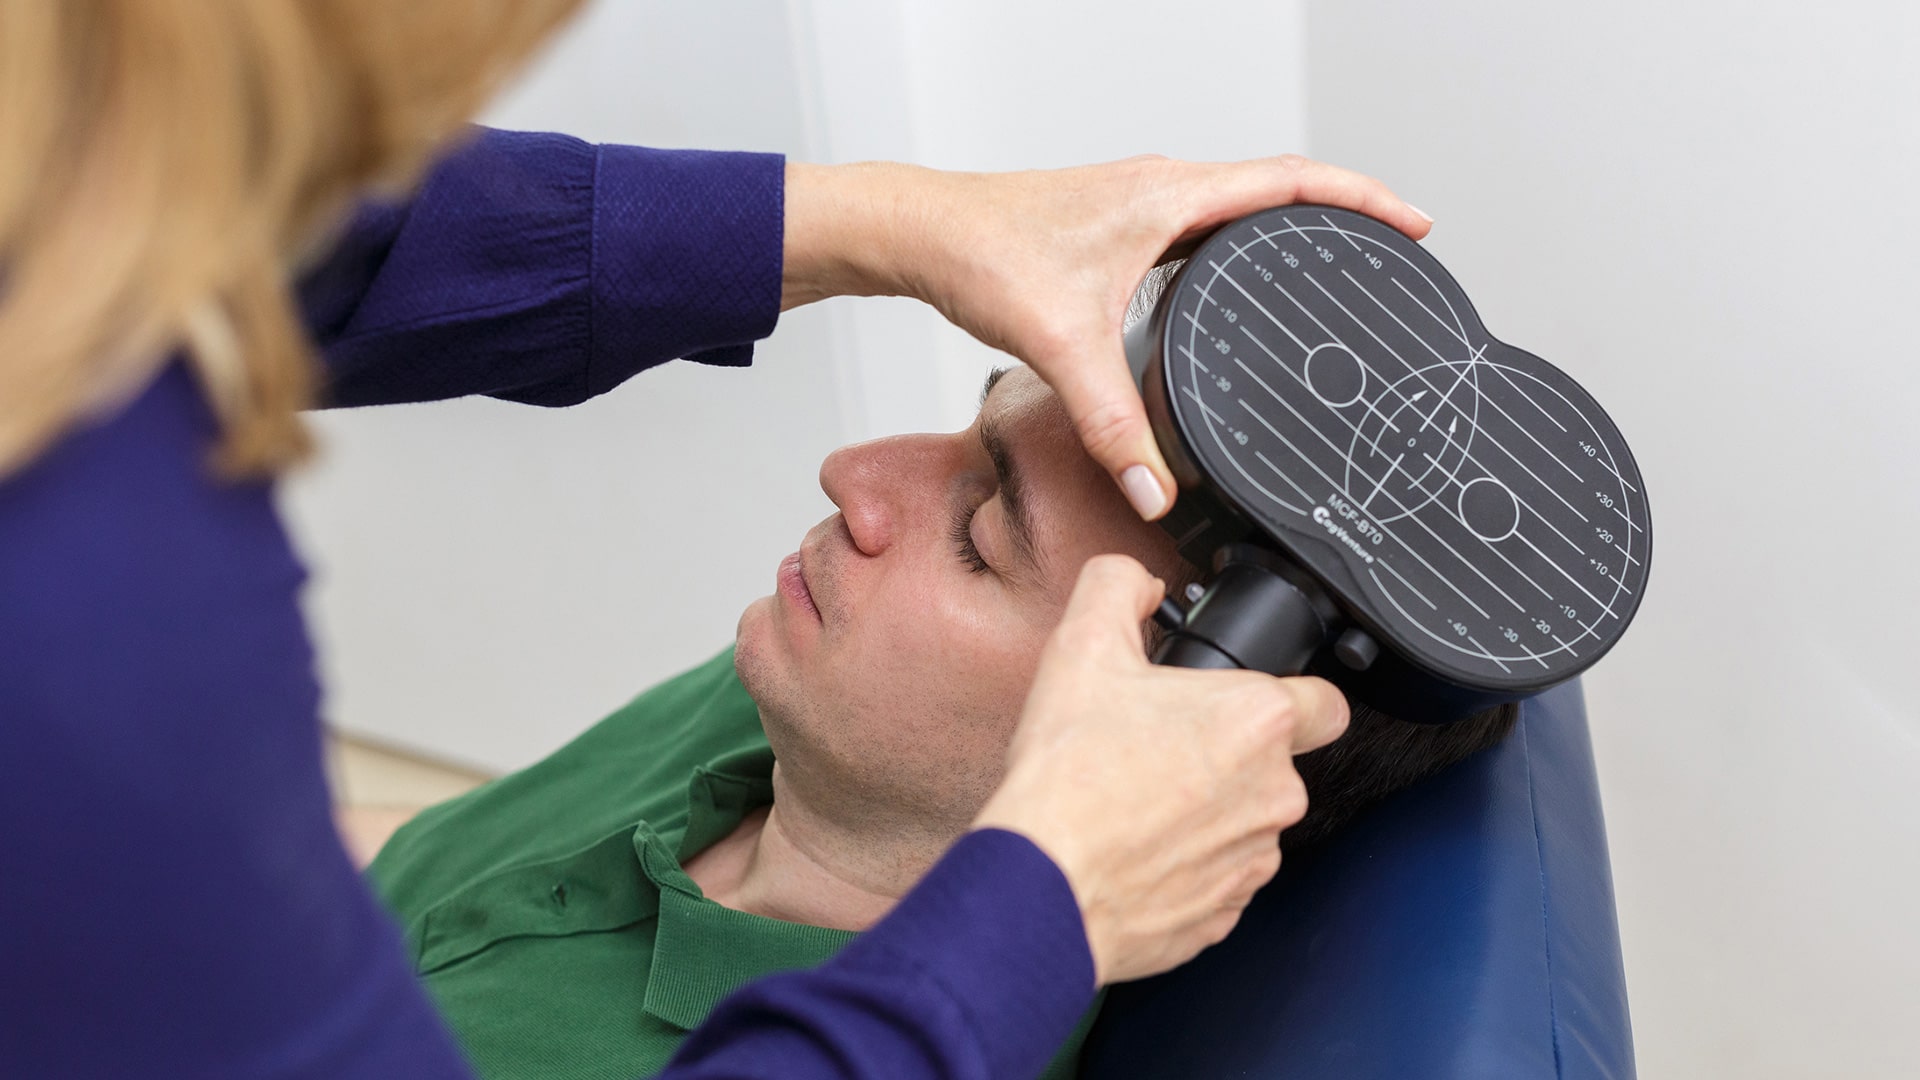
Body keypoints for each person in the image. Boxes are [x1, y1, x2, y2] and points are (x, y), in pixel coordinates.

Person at [0, 5, 1431, 1077]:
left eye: (983, 538)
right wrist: (1035, 912)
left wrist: (891, 221)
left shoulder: (815, 705)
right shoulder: (777, 716)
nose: (851, 475)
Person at [344, 365, 1516, 1080]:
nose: (850, 472)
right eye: (969, 419)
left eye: (980, 537)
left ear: (1146, 734)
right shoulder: (801, 703)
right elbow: (420, 865)